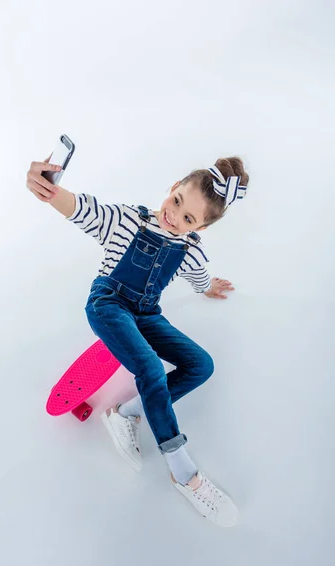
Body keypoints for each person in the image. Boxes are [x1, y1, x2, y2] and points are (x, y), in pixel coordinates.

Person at [26, 154, 250, 527]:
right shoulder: (129, 219)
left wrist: (209, 288)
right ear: (174, 186)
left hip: (145, 314)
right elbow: (83, 209)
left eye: (189, 218)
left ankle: (126, 412)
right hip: (108, 304)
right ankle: (184, 472)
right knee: (148, 366)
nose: (174, 216)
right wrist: (50, 190)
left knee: (201, 365)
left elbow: (199, 278)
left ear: (202, 228)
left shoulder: (191, 250)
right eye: (177, 201)